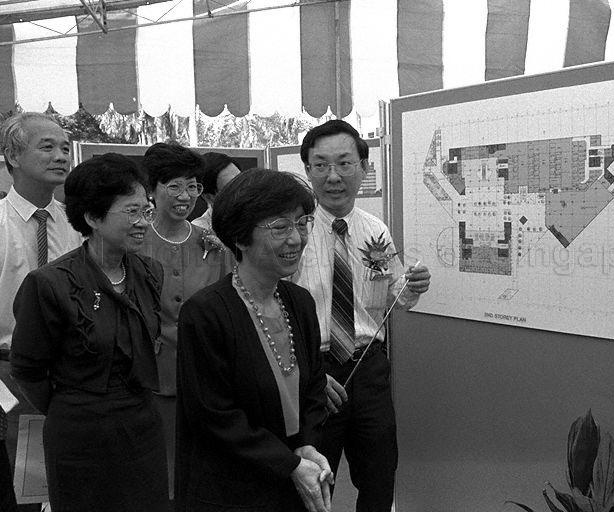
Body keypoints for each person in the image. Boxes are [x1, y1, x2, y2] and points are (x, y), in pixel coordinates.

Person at [10, 153, 169, 511]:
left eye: (147, 210)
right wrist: (73, 407)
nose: (144, 221)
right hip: (80, 433)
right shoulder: (50, 284)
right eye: (131, 211)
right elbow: (28, 370)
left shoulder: (149, 272)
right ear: (93, 217)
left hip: (142, 423)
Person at [293, 120, 431, 511]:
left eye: (343, 163)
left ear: (365, 168)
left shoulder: (375, 231)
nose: (332, 176)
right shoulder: (294, 230)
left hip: (368, 368)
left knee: (378, 472)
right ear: (307, 171)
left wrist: (413, 286)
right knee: (315, 477)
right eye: (320, 165)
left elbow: (395, 296)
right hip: (313, 370)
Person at [176, 169, 332, 512]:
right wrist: (288, 463)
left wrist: (306, 446)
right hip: (232, 487)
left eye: (302, 223)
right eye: (280, 227)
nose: (296, 238)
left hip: (292, 476)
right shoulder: (205, 313)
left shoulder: (299, 302)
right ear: (240, 238)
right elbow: (213, 415)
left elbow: (314, 388)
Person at [0, 112, 82, 511]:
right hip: (9, 382)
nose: (61, 156)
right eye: (47, 146)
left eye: (65, 148)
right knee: (23, 494)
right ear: (12, 156)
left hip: (74, 378)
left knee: (70, 490)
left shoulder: (79, 226)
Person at [139, 142, 230, 499]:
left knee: (205, 478)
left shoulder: (212, 245)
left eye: (192, 185)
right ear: (151, 189)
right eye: (174, 185)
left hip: (206, 381)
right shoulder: (134, 243)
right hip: (152, 381)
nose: (185, 195)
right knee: (160, 480)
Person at [191, 152, 241, 233]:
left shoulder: (262, 216)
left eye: (242, 179)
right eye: (232, 187)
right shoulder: (199, 232)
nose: (243, 189)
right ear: (209, 197)